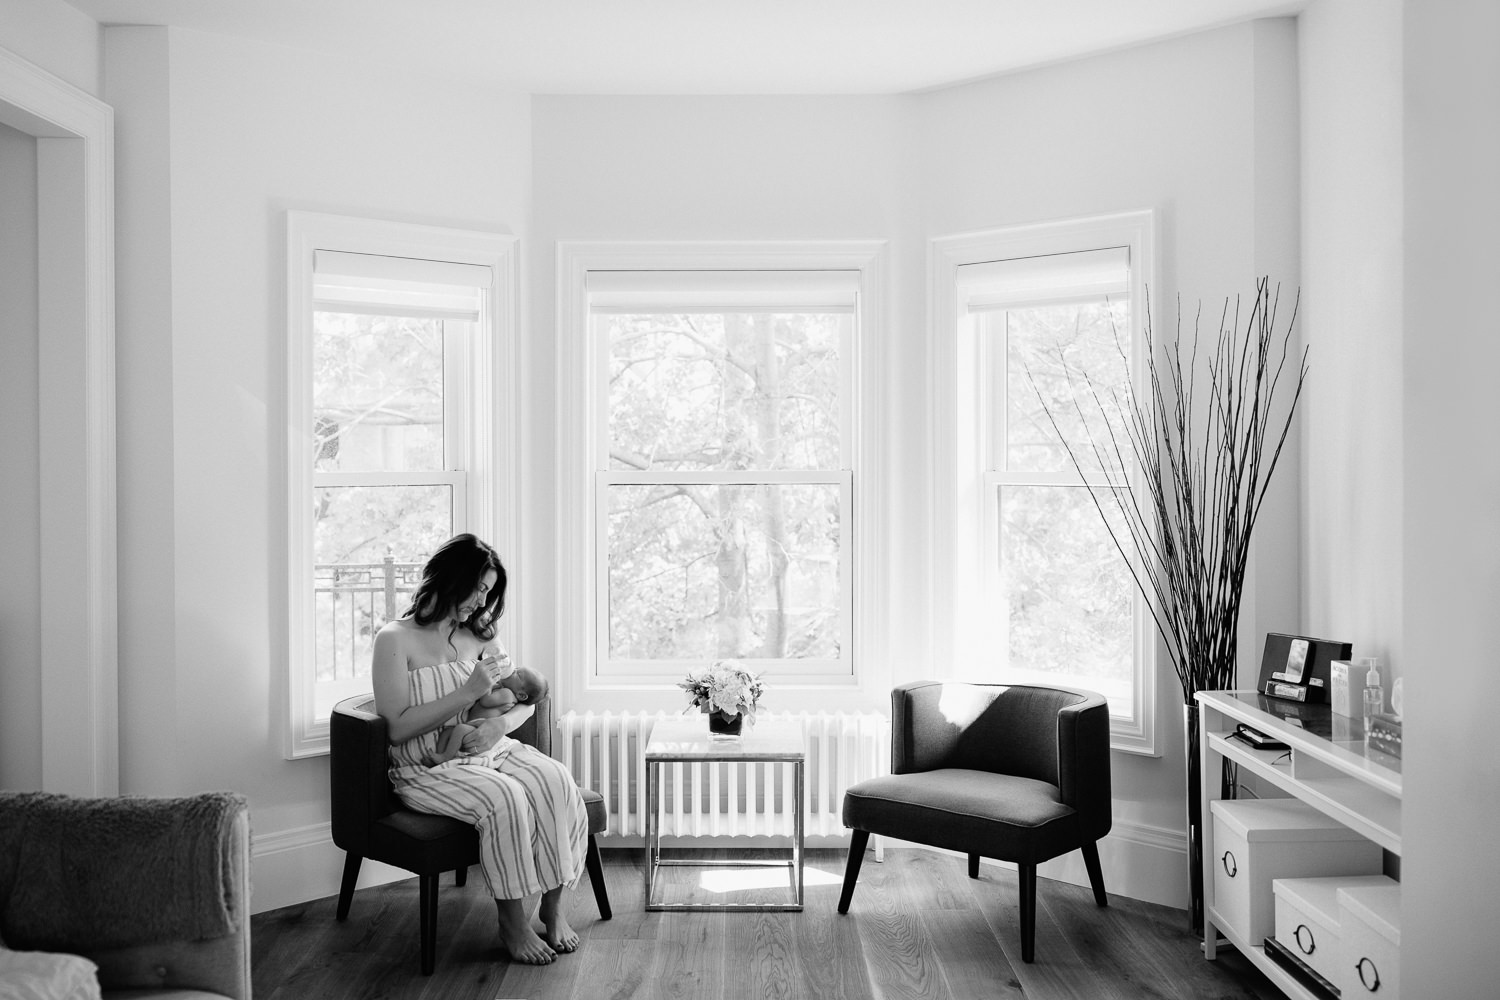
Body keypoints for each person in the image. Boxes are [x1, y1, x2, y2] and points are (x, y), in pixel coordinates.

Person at [371, 533, 587, 966]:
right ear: (451, 579)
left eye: (489, 591)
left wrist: (497, 727)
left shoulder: (482, 635)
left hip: (490, 747)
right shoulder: (394, 639)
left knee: (555, 778)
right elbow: (395, 729)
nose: (483, 601)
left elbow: (525, 700)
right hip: (426, 766)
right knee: (504, 797)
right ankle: (511, 921)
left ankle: (553, 905)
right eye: (479, 588)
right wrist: (465, 692)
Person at [422, 666, 550, 768]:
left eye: (518, 674)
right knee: (448, 731)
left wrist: (489, 683)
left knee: (459, 729)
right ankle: (441, 758)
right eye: (516, 668)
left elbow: (486, 701)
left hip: (480, 729)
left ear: (521, 695)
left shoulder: (507, 694)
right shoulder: (504, 690)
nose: (513, 670)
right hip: (473, 725)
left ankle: (445, 757)